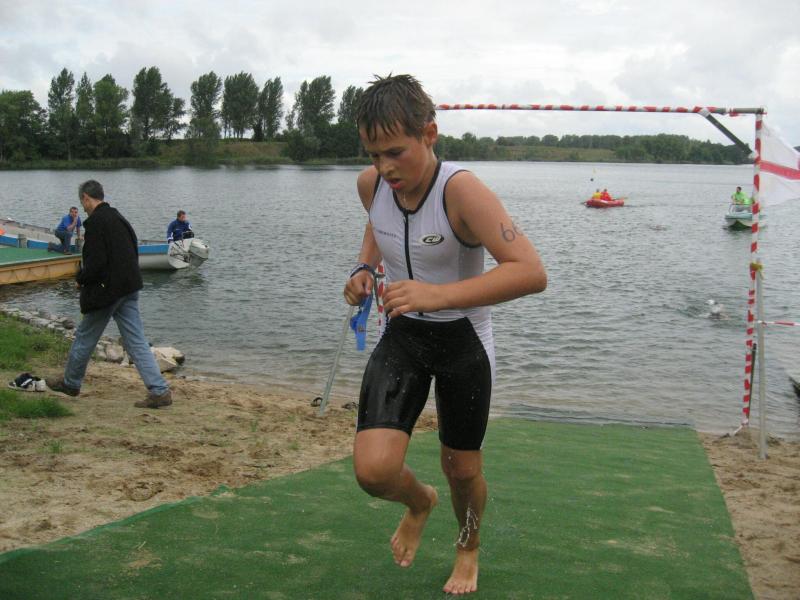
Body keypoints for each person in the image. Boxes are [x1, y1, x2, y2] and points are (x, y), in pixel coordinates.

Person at [343, 74, 547, 595]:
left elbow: (530, 272)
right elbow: (378, 224)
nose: (385, 168)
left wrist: (437, 295)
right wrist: (364, 267)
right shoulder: (372, 185)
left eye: (395, 152)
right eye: (373, 155)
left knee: (461, 469)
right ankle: (420, 503)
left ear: (429, 133)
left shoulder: (461, 190)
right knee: (374, 472)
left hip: (463, 342)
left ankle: (468, 544)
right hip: (404, 336)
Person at [46, 180, 172, 409]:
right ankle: (159, 390)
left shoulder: (96, 223)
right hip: (129, 286)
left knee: (85, 336)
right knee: (136, 341)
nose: (83, 207)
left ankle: (70, 383)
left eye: (82, 202)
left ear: (86, 198)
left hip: (108, 291)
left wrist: (81, 278)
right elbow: (132, 250)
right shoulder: (118, 217)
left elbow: (96, 263)